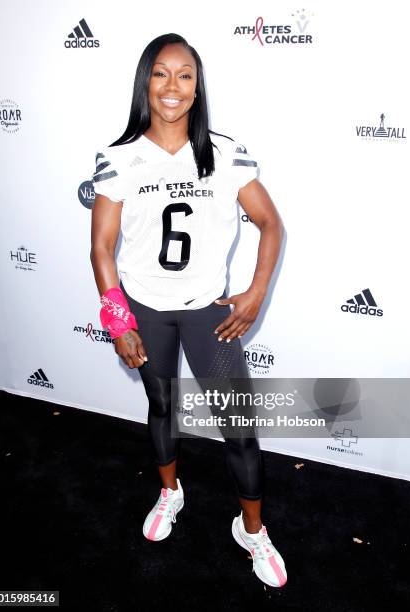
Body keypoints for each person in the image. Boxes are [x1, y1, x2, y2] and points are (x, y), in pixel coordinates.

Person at [90, 33, 287, 588]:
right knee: (162, 407)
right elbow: (101, 247)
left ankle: (251, 529)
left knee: (239, 428)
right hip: (145, 309)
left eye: (184, 75)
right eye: (160, 73)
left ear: (197, 88)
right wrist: (118, 320)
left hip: (208, 313)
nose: (171, 87)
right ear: (144, 83)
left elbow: (270, 223)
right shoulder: (120, 157)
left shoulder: (223, 153)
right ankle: (170, 492)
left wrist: (255, 291)